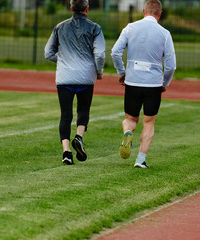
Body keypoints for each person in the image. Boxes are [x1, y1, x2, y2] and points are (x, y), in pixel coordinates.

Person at [111, 0, 176, 168]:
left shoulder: (130, 28)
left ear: (143, 10)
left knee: (130, 119)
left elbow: (115, 52)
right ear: (159, 13)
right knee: (149, 122)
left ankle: (127, 132)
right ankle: (140, 159)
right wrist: (164, 83)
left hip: (132, 81)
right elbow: (171, 66)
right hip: (153, 84)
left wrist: (122, 73)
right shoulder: (164, 33)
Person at [44, 0, 105, 165]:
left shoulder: (59, 27)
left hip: (65, 77)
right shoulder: (95, 28)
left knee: (65, 115)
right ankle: (79, 137)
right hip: (86, 76)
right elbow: (100, 54)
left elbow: (48, 52)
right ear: (87, 8)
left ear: (71, 8)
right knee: (83, 110)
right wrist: (99, 71)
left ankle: (66, 152)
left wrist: (63, 60)